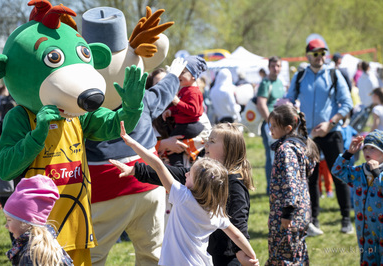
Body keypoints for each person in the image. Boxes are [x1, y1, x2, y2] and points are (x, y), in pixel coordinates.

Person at [110, 121, 259, 266]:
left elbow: (239, 222)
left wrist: (240, 252)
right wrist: (137, 170)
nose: (206, 144)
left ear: (229, 148)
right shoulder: (205, 182)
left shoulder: (230, 184)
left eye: (212, 141)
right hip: (209, 256)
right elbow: (171, 172)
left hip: (226, 257)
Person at [86, 59, 187, 265]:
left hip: (107, 189)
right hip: (147, 184)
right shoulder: (142, 99)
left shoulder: (82, 106)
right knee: (153, 253)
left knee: (91, 257)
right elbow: (163, 91)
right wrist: (174, 74)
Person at [285, 38, 354, 236]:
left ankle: (346, 219)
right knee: (310, 178)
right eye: (315, 53)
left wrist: (330, 123)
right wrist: (293, 113)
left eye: (323, 53)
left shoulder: (334, 74)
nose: (320, 57)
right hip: (308, 136)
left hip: (332, 133)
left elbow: (346, 102)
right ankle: (313, 220)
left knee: (339, 176)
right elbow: (289, 99)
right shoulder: (299, 76)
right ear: (308, 56)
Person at [332, 130, 383, 265]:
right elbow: (337, 171)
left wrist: (377, 173)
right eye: (365, 147)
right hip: (365, 230)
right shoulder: (360, 171)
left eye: (372, 148)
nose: (367, 151)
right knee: (368, 259)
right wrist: (348, 153)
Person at [266, 104, 319, 265]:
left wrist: (287, 213)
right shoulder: (299, 146)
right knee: (297, 254)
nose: (271, 129)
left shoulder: (286, 150)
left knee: (284, 257)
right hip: (301, 212)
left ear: (288, 128)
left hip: (288, 214)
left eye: (274, 126)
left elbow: (291, 183)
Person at [3, 175, 73, 265]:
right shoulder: (44, 242)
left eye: (9, 220)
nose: (6, 226)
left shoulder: (31, 255)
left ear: (26, 222)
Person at [162, 55, 207, 166]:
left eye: (183, 73)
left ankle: (178, 166)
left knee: (172, 143)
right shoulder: (184, 90)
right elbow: (181, 108)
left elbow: (194, 111)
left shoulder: (194, 92)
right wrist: (171, 111)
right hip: (184, 124)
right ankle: (191, 157)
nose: (179, 76)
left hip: (189, 125)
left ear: (193, 76)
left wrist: (177, 102)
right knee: (174, 141)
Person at [256, 56, 285, 195]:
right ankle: (271, 187)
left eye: (278, 65)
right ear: (269, 67)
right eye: (273, 66)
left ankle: (278, 184)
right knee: (271, 156)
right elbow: (261, 104)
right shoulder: (265, 83)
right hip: (269, 125)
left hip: (280, 125)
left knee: (279, 156)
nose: (276, 68)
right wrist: (271, 124)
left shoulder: (280, 82)